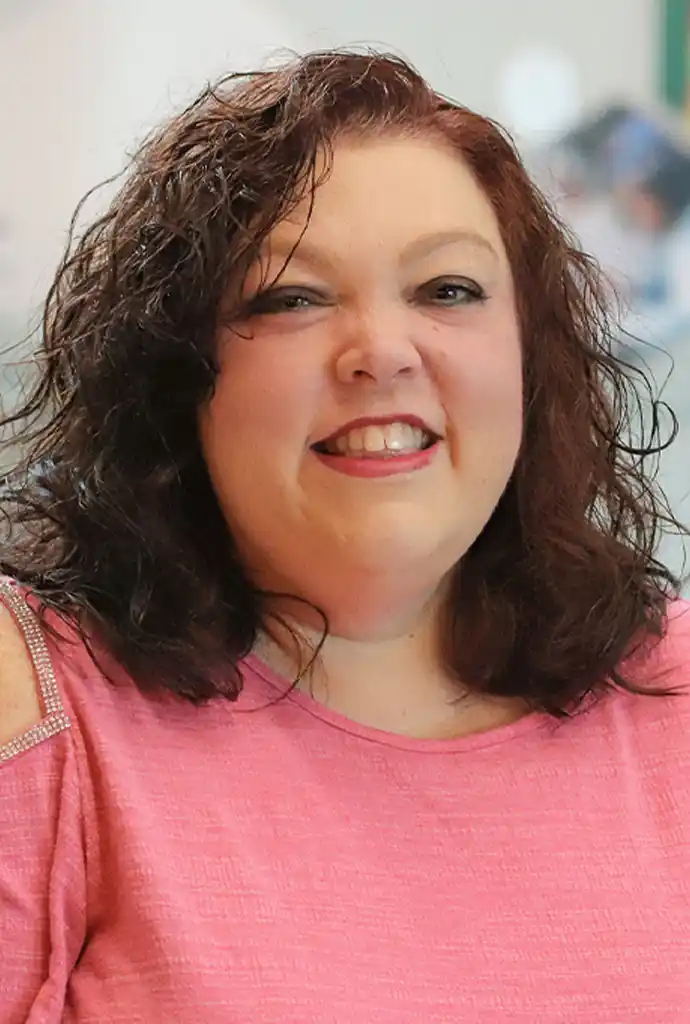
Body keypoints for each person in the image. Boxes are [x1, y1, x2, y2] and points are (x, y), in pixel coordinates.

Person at [0, 49, 689, 1023]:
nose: (383, 352)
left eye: (448, 290)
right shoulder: (40, 709)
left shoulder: (676, 696)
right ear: (180, 378)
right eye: (293, 296)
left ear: (529, 359)